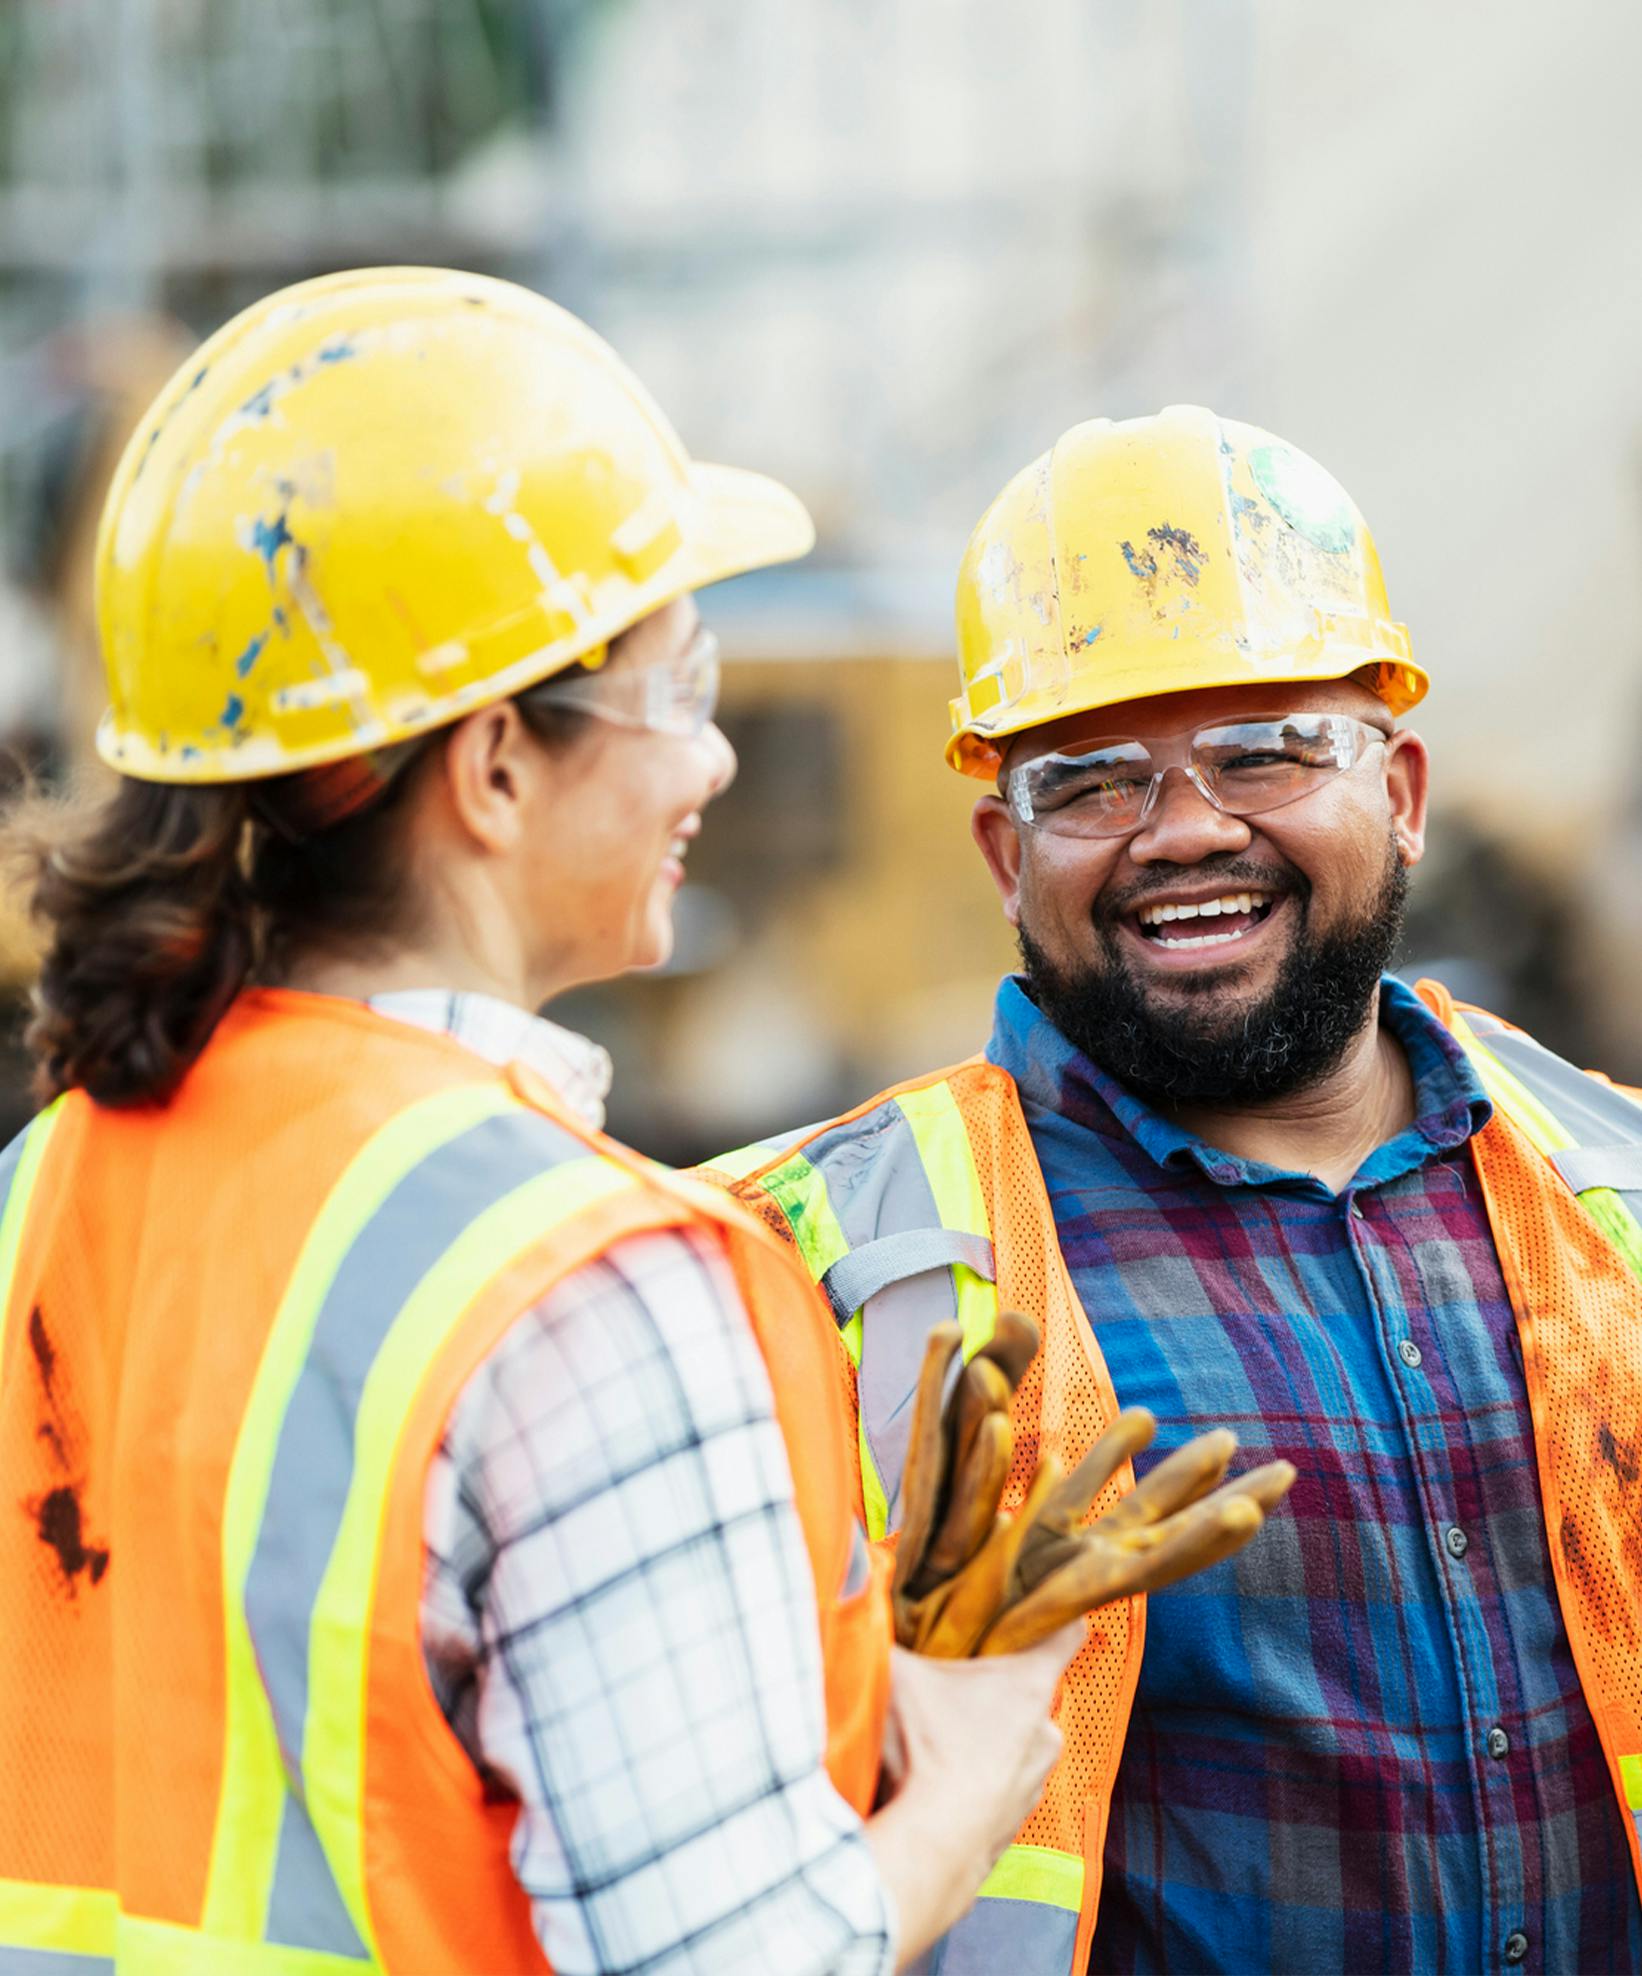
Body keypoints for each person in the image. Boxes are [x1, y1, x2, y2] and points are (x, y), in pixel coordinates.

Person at [0, 269, 1186, 1975]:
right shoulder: (587, 1282)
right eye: (678, 687)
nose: (708, 765)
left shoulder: (57, 1176)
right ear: (491, 769)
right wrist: (979, 1765)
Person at [707, 406, 1642, 1973]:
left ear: (1401, 790)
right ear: (1006, 857)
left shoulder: (1611, 1184)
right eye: (1089, 782)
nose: (1185, 831)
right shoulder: (806, 1267)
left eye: (1264, 750)